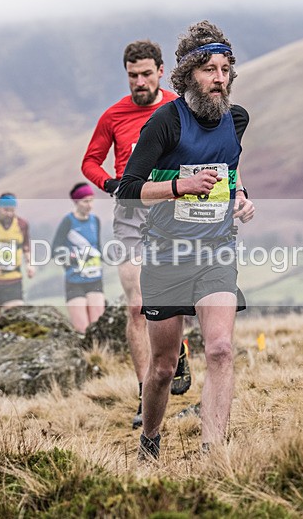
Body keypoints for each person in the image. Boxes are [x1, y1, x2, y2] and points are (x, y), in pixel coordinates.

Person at [117, 21, 255, 460]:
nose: (219, 78)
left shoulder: (236, 119)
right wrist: (180, 186)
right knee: (161, 368)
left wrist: (242, 198)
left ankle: (213, 452)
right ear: (187, 75)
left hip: (216, 250)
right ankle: (151, 440)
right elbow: (128, 188)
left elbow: (228, 175)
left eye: (225, 69)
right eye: (209, 70)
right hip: (166, 254)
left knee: (219, 348)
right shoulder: (165, 122)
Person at [81, 39, 191, 429]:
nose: (139, 82)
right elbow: (89, 162)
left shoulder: (179, 107)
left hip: (175, 210)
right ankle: (146, 395)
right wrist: (110, 184)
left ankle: (178, 354)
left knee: (178, 298)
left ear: (161, 71)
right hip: (130, 212)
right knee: (136, 305)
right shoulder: (114, 116)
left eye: (146, 74)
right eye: (132, 76)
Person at [51, 183, 106, 332]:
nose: (90, 205)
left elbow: (98, 247)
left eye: (92, 200)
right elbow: (54, 250)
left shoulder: (95, 221)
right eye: (85, 201)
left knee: (98, 327)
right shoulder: (68, 221)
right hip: (74, 280)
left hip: (95, 278)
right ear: (76, 202)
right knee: (82, 329)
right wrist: (71, 257)